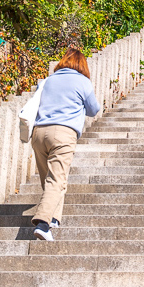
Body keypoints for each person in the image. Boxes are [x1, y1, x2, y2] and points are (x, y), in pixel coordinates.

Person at [29, 48, 101, 241]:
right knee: (57, 179)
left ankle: (54, 218)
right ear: (82, 65)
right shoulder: (82, 82)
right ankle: (43, 224)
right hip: (63, 133)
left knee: (50, 179)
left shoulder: (48, 80)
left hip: (38, 133)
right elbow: (94, 110)